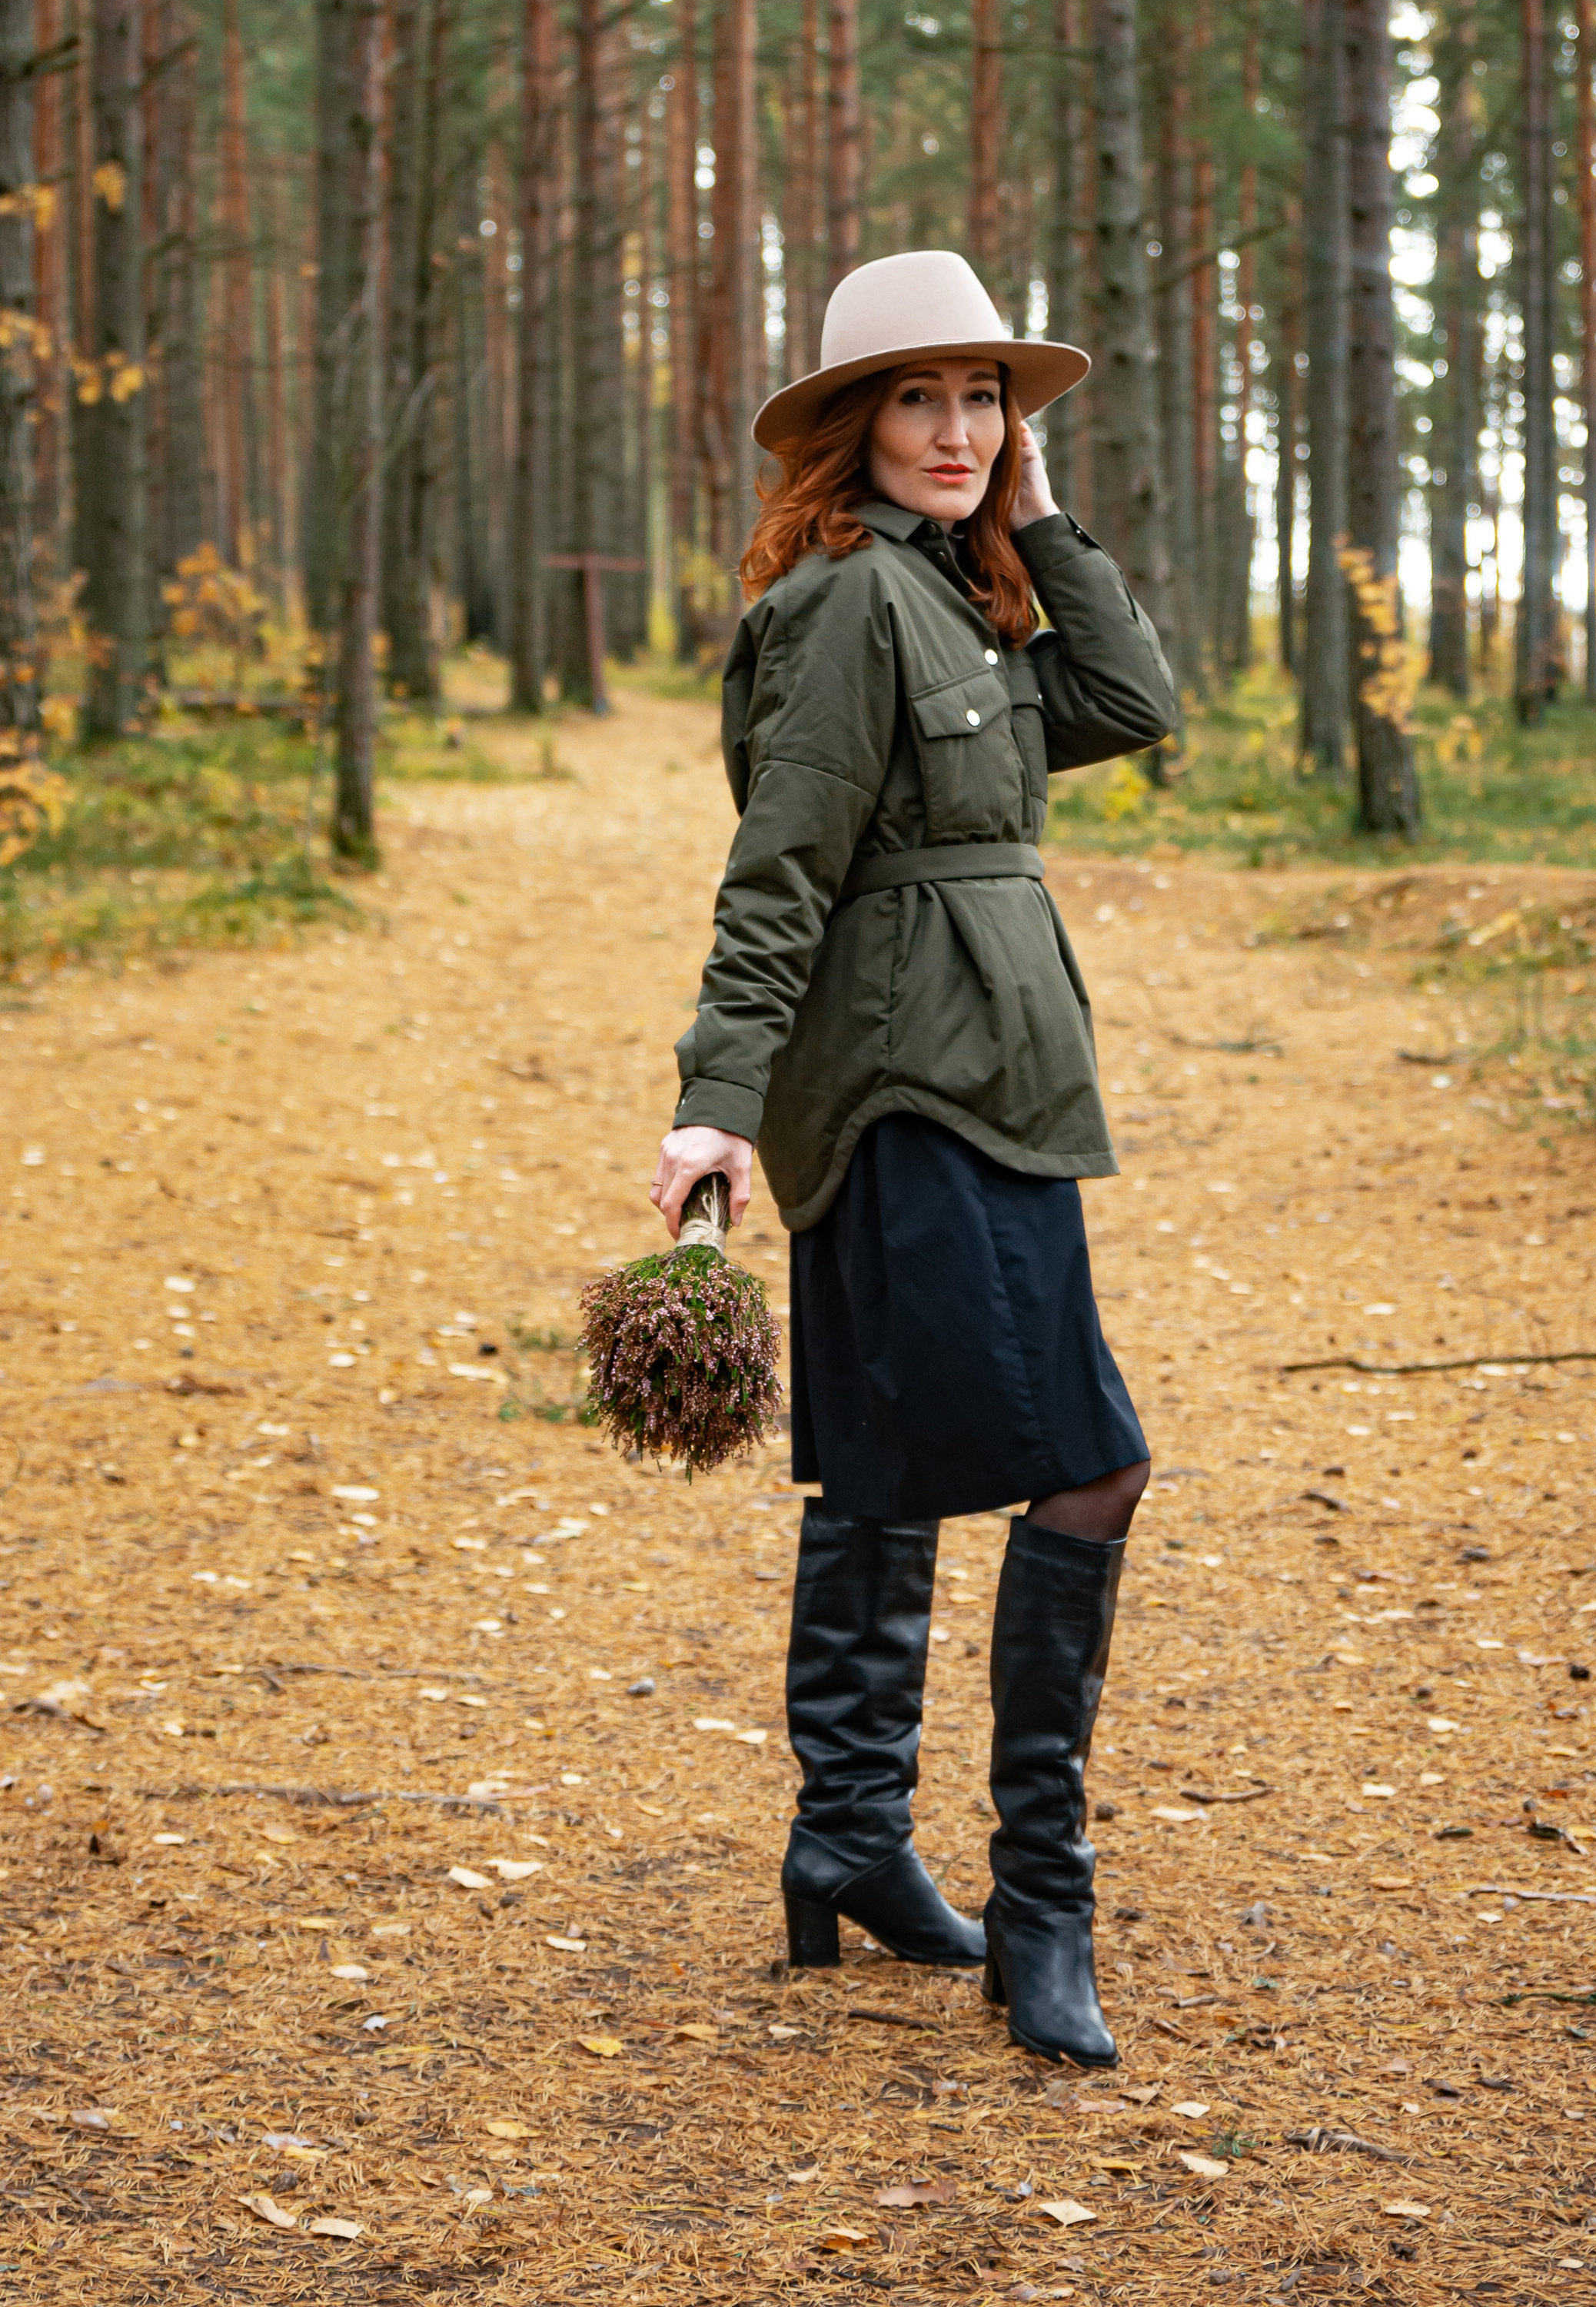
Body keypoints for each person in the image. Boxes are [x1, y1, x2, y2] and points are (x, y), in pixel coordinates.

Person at [648, 249, 1176, 2069]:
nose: (955, 431)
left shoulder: (960, 595)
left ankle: (848, 1838)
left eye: (982, 401)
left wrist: (1046, 515)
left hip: (980, 1073)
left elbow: (1126, 708)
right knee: (1086, 1466)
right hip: (910, 1081)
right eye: (917, 399)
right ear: (850, 427)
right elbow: (777, 866)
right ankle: (1043, 1902)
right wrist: (713, 1094)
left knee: (878, 1464)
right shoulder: (846, 605)